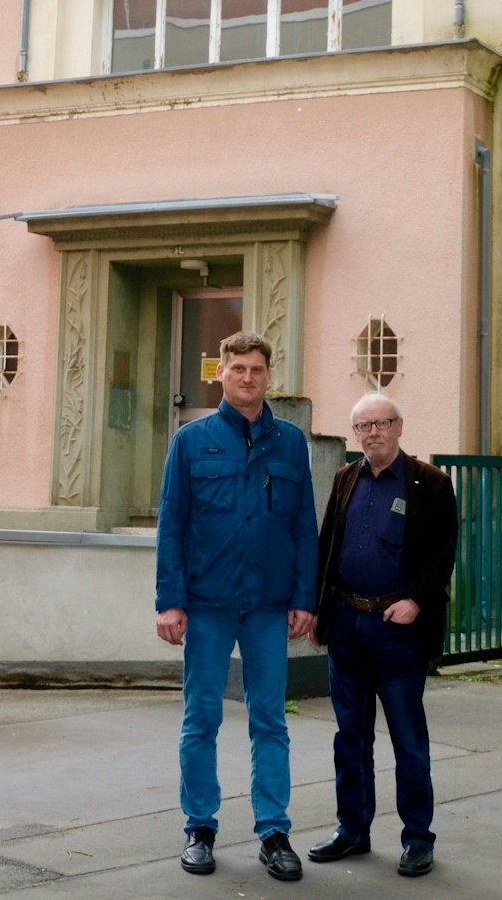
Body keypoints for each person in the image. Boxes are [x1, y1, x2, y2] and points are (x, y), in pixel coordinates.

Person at [154, 330, 319, 882]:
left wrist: (304, 597)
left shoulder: (291, 443)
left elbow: (303, 527)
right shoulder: (191, 440)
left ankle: (273, 831)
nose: (247, 377)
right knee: (200, 718)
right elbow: (171, 525)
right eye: (237, 368)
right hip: (206, 604)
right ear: (220, 374)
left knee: (269, 720)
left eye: (256, 369)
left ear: (269, 376)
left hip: (270, 605)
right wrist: (170, 601)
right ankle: (199, 827)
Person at [306, 392, 460, 878]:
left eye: (382, 423)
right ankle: (353, 829)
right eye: (363, 426)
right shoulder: (344, 479)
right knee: (349, 735)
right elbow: (328, 547)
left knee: (407, 738)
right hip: (348, 625)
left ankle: (418, 838)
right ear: (355, 434)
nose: (373, 432)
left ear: (399, 426)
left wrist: (415, 599)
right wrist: (319, 612)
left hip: (397, 629)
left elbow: (442, 552)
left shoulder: (430, 483)